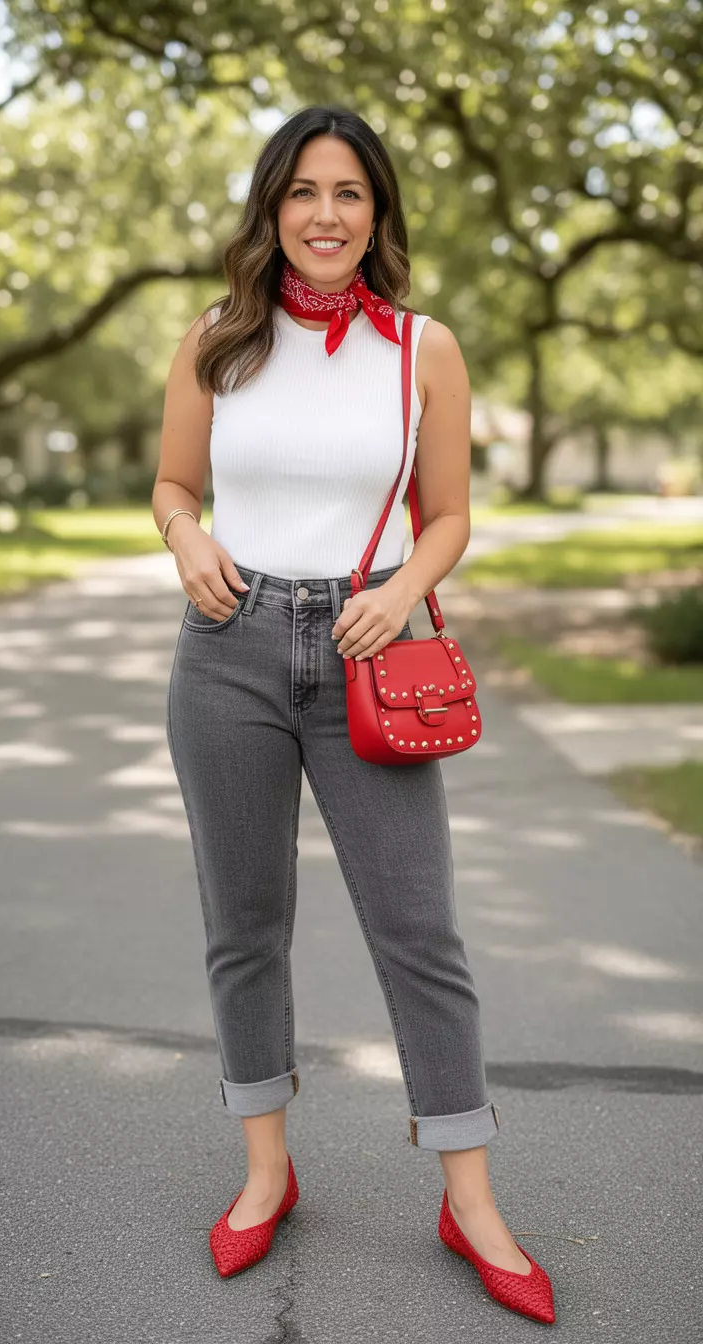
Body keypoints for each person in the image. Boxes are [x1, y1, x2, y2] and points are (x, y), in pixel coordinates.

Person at [152, 105, 555, 1323]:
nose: (326, 216)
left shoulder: (422, 348)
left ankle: (469, 1196)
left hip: (368, 650)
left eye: (350, 194)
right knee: (245, 926)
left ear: (377, 214)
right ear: (272, 208)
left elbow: (448, 517)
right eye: (304, 193)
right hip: (225, 650)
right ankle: (267, 1172)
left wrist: (400, 594)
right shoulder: (219, 339)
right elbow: (173, 484)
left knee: (419, 930)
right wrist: (185, 538)